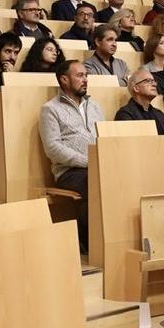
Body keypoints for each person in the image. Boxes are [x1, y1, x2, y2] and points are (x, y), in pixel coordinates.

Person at [39, 59, 103, 247]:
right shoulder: (50, 109)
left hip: (97, 165)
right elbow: (53, 148)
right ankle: (93, 241)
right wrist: (87, 162)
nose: (85, 80)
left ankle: (96, 240)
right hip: (69, 171)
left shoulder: (95, 106)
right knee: (94, 183)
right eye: (80, 75)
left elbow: (103, 136)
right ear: (64, 80)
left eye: (86, 75)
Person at [116, 68, 164, 134]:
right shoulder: (125, 114)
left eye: (154, 81)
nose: (154, 84)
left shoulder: (159, 114)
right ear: (136, 88)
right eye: (148, 81)